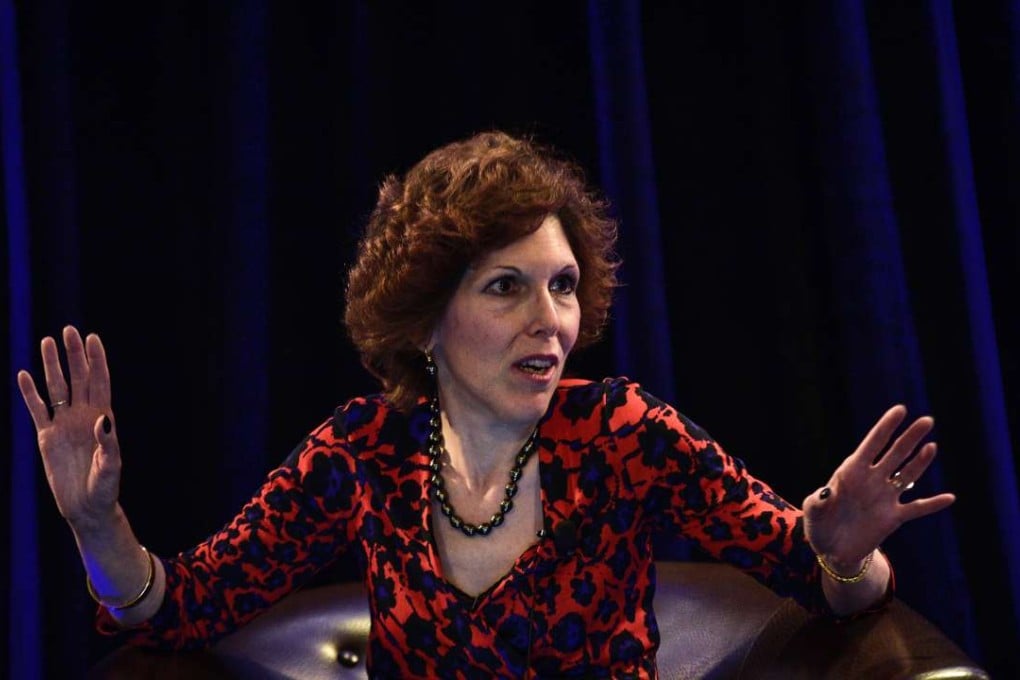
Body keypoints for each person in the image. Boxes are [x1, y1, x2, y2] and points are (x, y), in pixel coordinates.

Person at [17, 130, 956, 678]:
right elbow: (181, 607)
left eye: (562, 286)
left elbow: (822, 578)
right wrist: (99, 525)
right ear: (426, 320)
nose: (548, 321)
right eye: (506, 288)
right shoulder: (359, 454)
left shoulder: (625, 432)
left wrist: (845, 559)